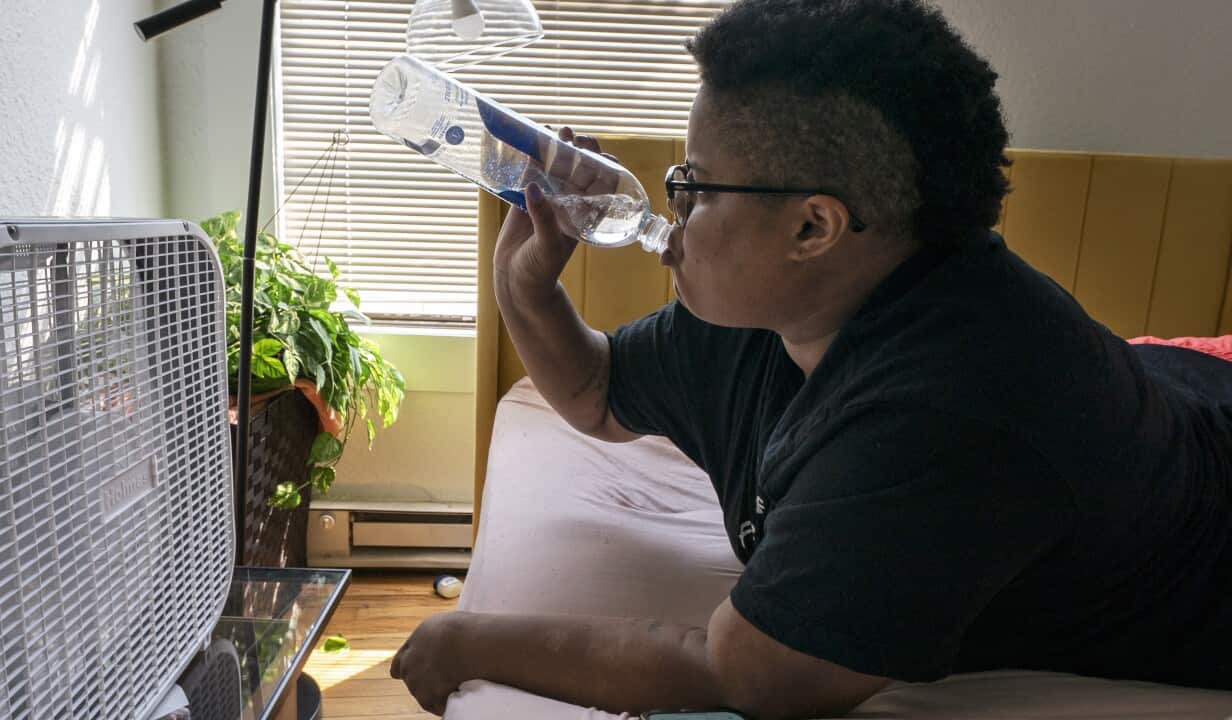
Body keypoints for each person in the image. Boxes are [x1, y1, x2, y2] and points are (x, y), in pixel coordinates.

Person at [389, 0, 1232, 717]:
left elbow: (746, 670)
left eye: (697, 184)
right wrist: (527, 288)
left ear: (812, 227)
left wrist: (467, 638)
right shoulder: (774, 302)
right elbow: (598, 393)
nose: (671, 206)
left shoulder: (940, 420)